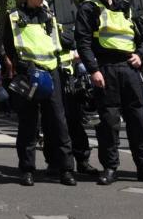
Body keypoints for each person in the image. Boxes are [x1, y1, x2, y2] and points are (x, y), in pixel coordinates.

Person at [75, 0, 143, 186]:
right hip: (106, 68)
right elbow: (84, 41)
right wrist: (93, 69)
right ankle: (110, 167)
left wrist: (140, 55)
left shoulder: (127, 6)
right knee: (108, 121)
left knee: (138, 118)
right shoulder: (89, 8)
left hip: (129, 67)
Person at [2, 0, 75, 186]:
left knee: (58, 123)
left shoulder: (49, 15)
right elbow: (9, 44)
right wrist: (19, 64)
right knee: (28, 124)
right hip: (28, 73)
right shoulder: (14, 16)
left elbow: (58, 41)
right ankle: (27, 169)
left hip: (51, 71)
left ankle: (65, 168)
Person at [54, 20, 93, 173]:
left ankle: (82, 161)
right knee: (55, 125)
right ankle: (58, 163)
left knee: (75, 122)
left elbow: (69, 41)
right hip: (51, 77)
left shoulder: (58, 27)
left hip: (68, 78)